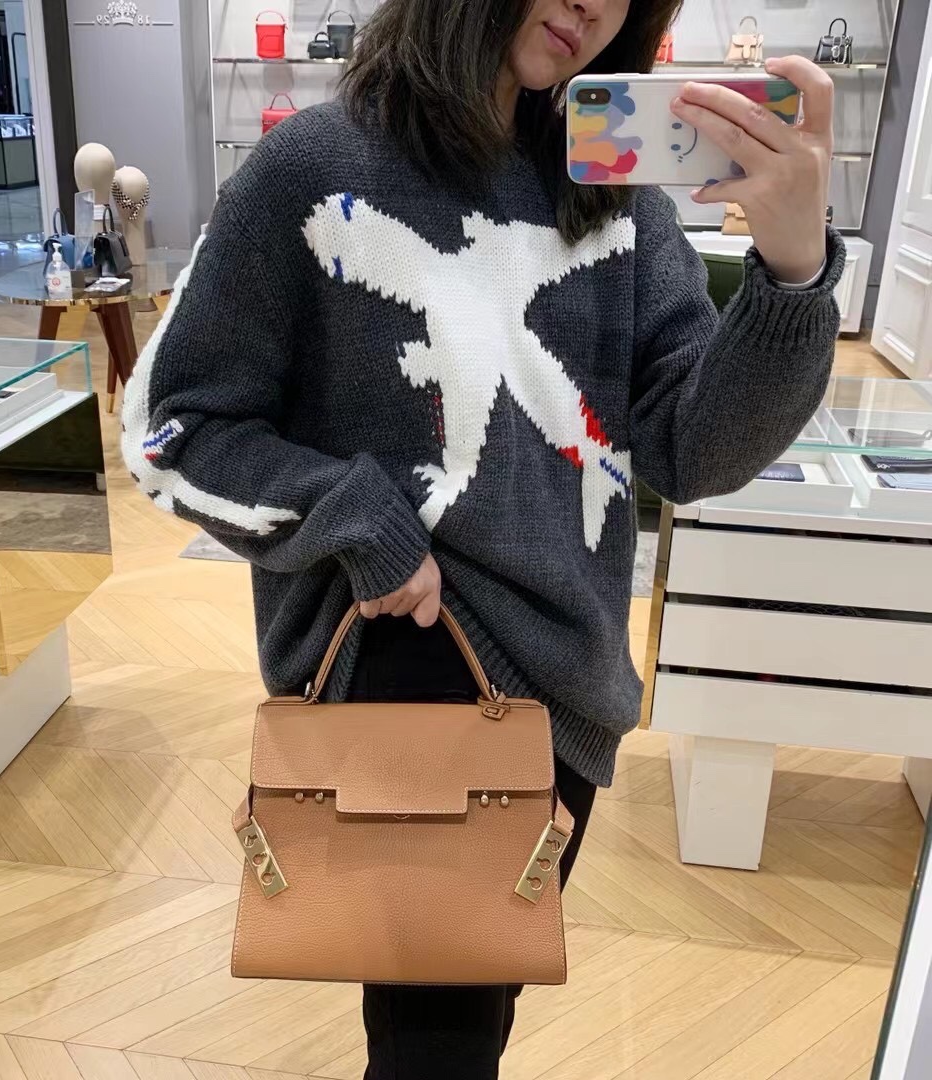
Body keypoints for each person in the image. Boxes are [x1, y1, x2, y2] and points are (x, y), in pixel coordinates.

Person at [122, 0, 841, 1074]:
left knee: (470, 1027)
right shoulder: (312, 169)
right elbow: (173, 428)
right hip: (401, 678)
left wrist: (792, 273)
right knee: (439, 1051)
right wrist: (351, 514)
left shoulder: (616, 199)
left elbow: (692, 450)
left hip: (568, 705)